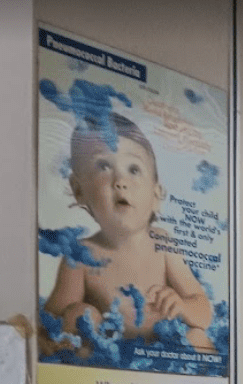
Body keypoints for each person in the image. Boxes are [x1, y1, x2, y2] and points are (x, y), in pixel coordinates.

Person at [43, 111, 213, 352]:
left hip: (159, 349)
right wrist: (56, 336)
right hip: (108, 354)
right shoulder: (81, 256)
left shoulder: (163, 245)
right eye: (104, 166)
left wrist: (182, 306)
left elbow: (204, 312)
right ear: (79, 190)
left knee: (197, 336)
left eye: (133, 169)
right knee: (78, 315)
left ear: (156, 195)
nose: (120, 181)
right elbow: (52, 323)